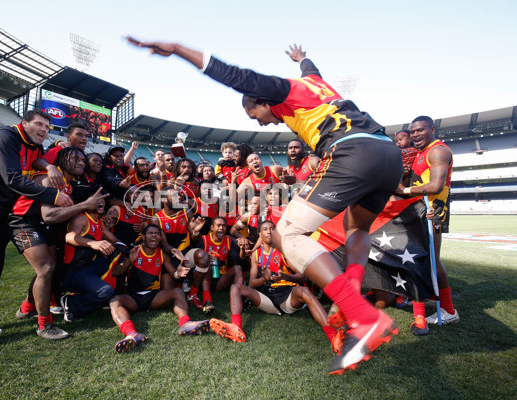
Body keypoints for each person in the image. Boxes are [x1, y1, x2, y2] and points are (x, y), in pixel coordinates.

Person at [127, 38, 403, 374]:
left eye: (253, 112)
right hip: (389, 153)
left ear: (261, 100)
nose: (258, 122)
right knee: (357, 227)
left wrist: (179, 50)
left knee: (289, 232)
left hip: (352, 151)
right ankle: (353, 298)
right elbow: (311, 70)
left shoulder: (281, 90)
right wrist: (303, 59)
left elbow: (234, 75)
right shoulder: (314, 83)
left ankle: (360, 314)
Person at [0, 109, 72, 356]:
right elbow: (12, 178)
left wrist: (50, 166)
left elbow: (36, 159)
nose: (43, 129)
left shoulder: (34, 145)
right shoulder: (5, 138)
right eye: (39, 124)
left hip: (0, 216)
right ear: (24, 123)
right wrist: (54, 195)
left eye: (47, 127)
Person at [10, 147, 107, 339]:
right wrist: (85, 205)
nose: (81, 162)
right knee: (46, 268)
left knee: (50, 269)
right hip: (23, 222)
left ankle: (27, 306)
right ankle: (44, 324)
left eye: (82, 159)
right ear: (62, 160)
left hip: (45, 228)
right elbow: (49, 216)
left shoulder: (68, 186)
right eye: (76, 158)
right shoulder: (49, 179)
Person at [210, 220, 338, 349]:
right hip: (267, 299)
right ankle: (236, 328)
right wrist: (264, 280)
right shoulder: (256, 253)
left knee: (304, 290)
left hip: (288, 297)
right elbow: (252, 283)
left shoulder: (285, 251)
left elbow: (303, 276)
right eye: (265, 229)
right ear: (260, 234)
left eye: (272, 229)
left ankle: (332, 335)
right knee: (236, 287)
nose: (269, 231)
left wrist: (285, 276)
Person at [398, 116, 458, 335]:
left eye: (420, 130)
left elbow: (435, 185)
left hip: (434, 212)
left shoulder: (438, 151)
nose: (415, 135)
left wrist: (403, 191)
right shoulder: (419, 153)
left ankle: (445, 310)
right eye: (412, 132)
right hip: (419, 212)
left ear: (432, 129)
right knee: (425, 259)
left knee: (426, 259)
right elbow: (415, 181)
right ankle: (435, 301)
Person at [109, 224, 211, 353]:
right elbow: (116, 272)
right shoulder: (134, 251)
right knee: (115, 301)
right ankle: (132, 334)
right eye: (150, 233)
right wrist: (130, 260)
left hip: (154, 296)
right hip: (134, 297)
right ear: (144, 237)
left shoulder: (162, 254)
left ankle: (185, 324)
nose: (154, 236)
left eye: (157, 234)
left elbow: (173, 274)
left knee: (178, 292)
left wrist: (178, 274)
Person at [60, 198, 124, 322]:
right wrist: (92, 243)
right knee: (106, 292)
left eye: (103, 199)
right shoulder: (82, 218)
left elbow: (115, 241)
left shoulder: (99, 223)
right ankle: (71, 303)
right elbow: (69, 236)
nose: (102, 201)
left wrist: (135, 248)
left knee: (120, 252)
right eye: (97, 199)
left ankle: (108, 291)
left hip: (88, 267)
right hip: (73, 272)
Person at [193, 216, 243, 314]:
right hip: (204, 278)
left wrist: (242, 250)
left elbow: (235, 261)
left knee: (237, 268)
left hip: (220, 280)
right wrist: (206, 256)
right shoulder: (204, 239)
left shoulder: (228, 241)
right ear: (212, 227)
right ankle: (207, 301)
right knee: (205, 262)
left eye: (224, 226)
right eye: (218, 225)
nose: (221, 228)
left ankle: (241, 295)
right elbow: (195, 259)